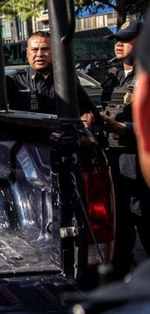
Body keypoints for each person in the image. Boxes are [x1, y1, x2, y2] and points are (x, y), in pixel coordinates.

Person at [98, 20, 149, 281]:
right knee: (119, 218)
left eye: (126, 39)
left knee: (140, 216)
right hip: (112, 154)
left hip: (136, 156)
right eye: (117, 39)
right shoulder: (114, 74)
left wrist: (122, 127)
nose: (119, 44)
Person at [0, 31, 101, 126]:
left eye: (45, 49)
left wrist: (86, 116)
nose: (39, 54)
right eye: (35, 50)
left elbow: (85, 107)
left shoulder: (67, 79)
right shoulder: (15, 80)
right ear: (27, 52)